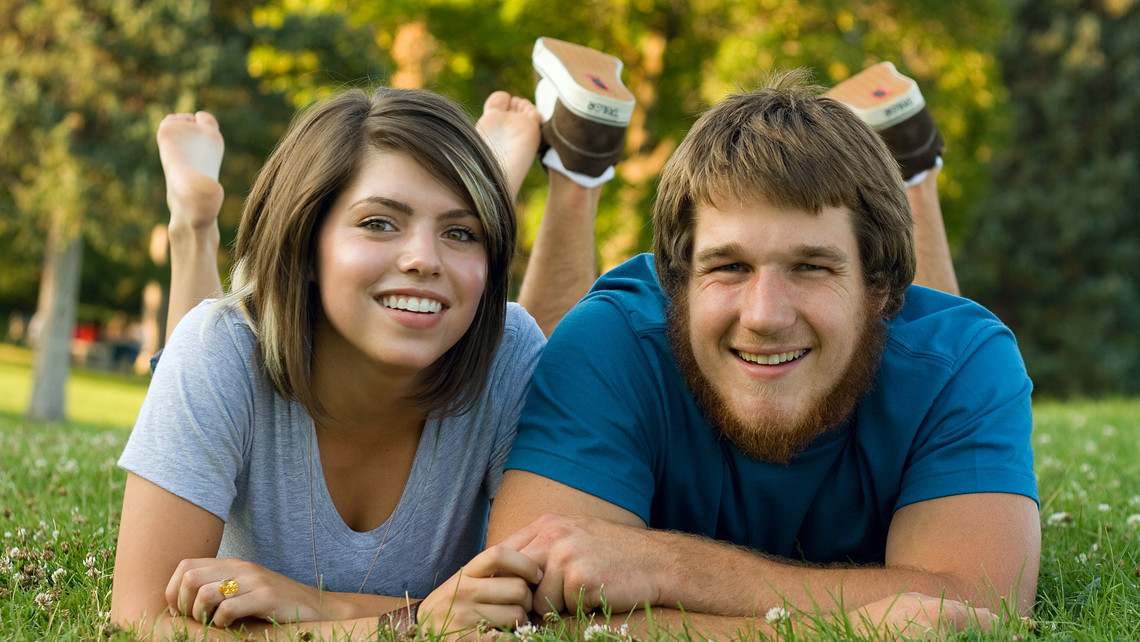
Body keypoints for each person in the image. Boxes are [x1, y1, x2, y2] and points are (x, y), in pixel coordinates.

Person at [487, 66, 1038, 639]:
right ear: (676, 286)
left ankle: (914, 173)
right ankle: (577, 172)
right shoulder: (613, 339)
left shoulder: (966, 361)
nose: (764, 316)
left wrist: (664, 566)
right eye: (729, 267)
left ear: (879, 288)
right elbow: (526, 613)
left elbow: (975, 608)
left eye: (811, 267)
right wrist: (858, 624)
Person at [110, 86, 562, 640]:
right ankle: (194, 224)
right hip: (241, 343)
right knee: (198, 339)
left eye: (461, 232)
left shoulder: (509, 349)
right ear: (305, 243)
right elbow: (140, 617)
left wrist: (313, 604)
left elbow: (535, 607)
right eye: (378, 222)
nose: (423, 257)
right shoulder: (219, 349)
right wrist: (412, 625)